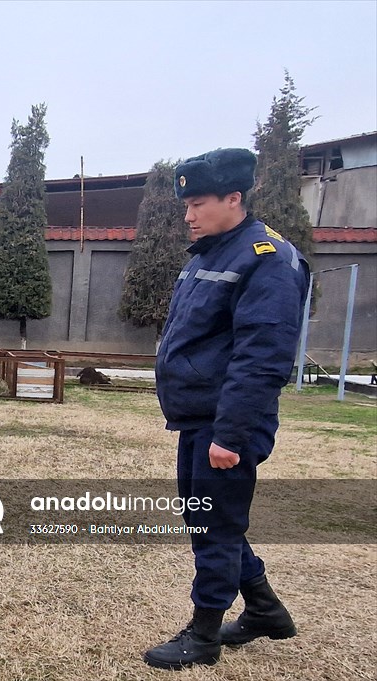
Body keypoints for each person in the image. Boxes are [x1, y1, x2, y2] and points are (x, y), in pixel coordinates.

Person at [144, 148, 310, 671]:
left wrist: (231, 436)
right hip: (200, 417)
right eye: (185, 205)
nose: (188, 215)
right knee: (209, 523)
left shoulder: (266, 259)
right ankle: (265, 610)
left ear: (233, 198)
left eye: (197, 203)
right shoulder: (210, 254)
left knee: (215, 529)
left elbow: (263, 357)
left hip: (227, 424)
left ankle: (204, 635)